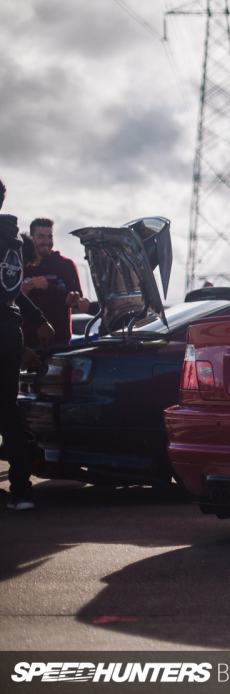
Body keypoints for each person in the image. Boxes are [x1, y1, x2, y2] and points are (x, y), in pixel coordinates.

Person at [1, 180, 54, 510]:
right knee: (8, 411)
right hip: (11, 330)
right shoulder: (14, 241)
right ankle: (22, 491)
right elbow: (12, 288)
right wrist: (38, 319)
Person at [21, 217, 89, 349]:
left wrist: (48, 287)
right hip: (28, 346)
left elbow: (78, 302)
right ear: (31, 238)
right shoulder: (23, 264)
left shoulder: (65, 265)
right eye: (41, 237)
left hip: (59, 342)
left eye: (50, 237)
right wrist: (19, 293)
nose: (46, 241)